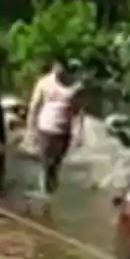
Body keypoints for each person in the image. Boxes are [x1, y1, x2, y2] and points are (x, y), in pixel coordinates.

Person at [26, 58, 84, 195]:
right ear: (54, 66)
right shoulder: (44, 83)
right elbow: (34, 106)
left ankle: (52, 191)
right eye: (56, 67)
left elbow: (79, 111)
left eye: (62, 68)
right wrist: (30, 129)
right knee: (46, 164)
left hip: (64, 130)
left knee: (56, 164)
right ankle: (44, 193)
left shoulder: (76, 86)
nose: (58, 71)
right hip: (45, 128)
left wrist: (79, 132)